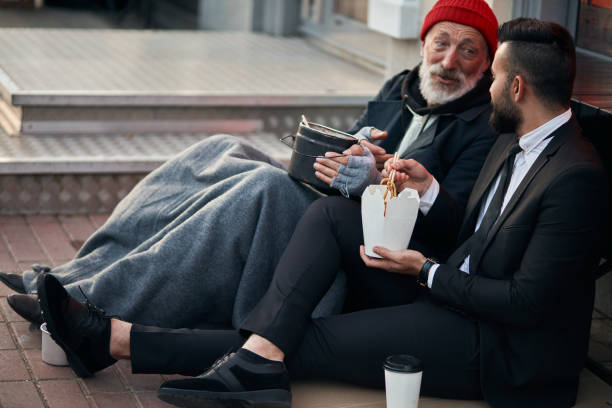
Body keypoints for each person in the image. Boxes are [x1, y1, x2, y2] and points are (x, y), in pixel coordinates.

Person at [35, 17, 607, 408]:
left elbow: (527, 304)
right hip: (450, 292)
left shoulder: (574, 176)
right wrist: (428, 189)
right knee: (327, 222)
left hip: (504, 352)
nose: (485, 91)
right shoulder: (516, 135)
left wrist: (425, 272)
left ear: (516, 85)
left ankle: (115, 338)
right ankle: (250, 358)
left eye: (491, 74)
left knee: (308, 339)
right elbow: (471, 231)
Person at [3, 0, 499, 331]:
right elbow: (354, 142)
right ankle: (70, 274)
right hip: (332, 201)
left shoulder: (482, 126)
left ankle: (90, 304)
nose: (449, 60)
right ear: (422, 44)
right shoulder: (400, 85)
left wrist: (377, 182)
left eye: (467, 49)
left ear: (486, 65)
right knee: (216, 150)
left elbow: (455, 226)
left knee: (262, 186)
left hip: (366, 252)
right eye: (441, 42)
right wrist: (347, 148)